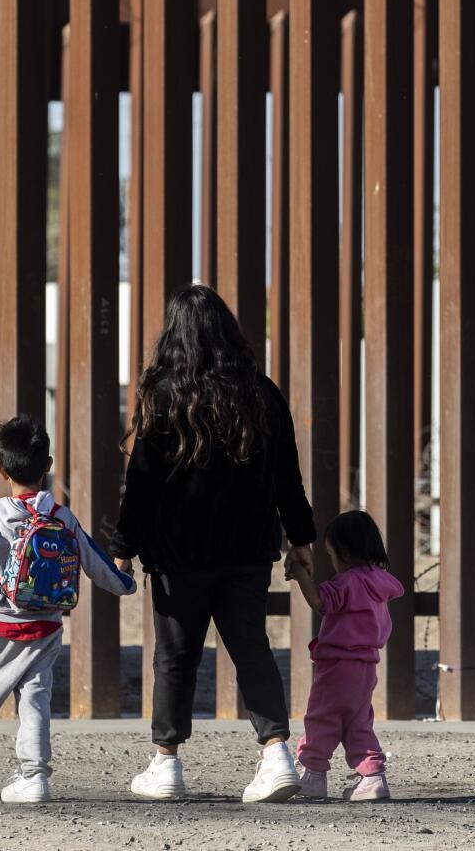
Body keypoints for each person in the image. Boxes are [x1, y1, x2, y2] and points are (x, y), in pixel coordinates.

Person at [110, 284, 317, 804]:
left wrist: (124, 545)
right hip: (248, 550)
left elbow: (142, 483)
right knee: (251, 646)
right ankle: (276, 754)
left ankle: (167, 764)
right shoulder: (261, 393)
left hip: (179, 554)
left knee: (175, 658)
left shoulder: (163, 396)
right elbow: (287, 477)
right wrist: (302, 539)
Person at [0, 414, 137, 803]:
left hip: (1, 628)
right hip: (46, 627)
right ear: (48, 465)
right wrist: (126, 584)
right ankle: (35, 776)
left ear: (0, 467)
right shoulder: (61, 516)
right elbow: (95, 563)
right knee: (36, 701)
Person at [284, 510, 404, 801]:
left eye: (331, 554)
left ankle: (313, 774)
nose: (333, 561)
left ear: (345, 553)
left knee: (322, 717)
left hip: (337, 665)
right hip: (366, 667)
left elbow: (319, 602)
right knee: (358, 721)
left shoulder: (347, 582)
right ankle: (373, 776)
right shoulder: (380, 581)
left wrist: (300, 573)